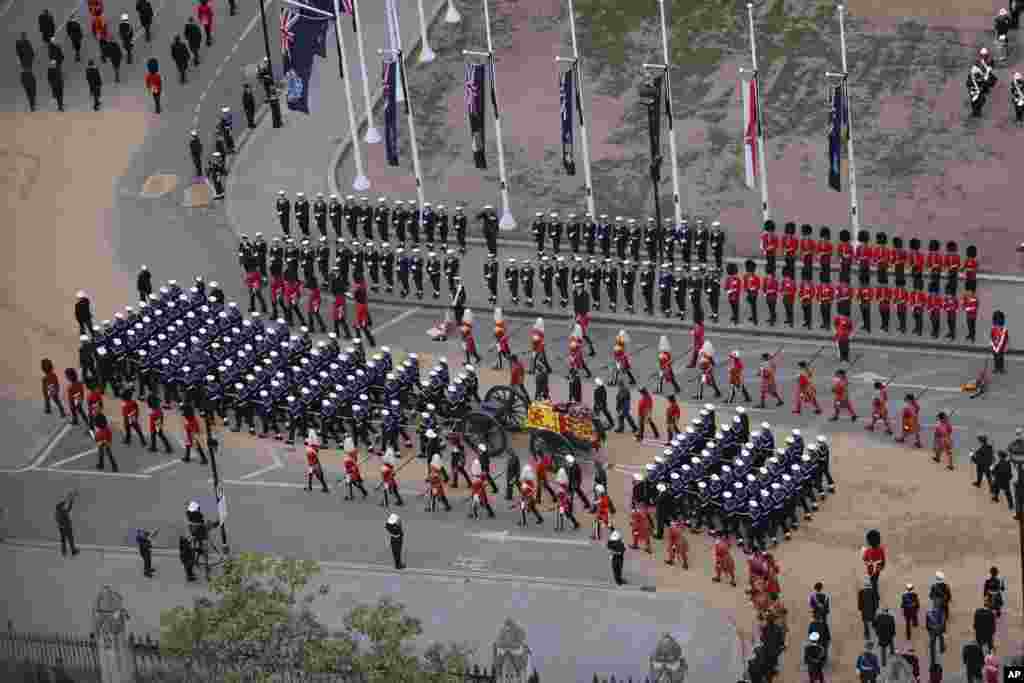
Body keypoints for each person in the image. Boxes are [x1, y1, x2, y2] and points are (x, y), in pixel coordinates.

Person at [55, 491, 79, 557]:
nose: (63, 506)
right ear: (60, 507)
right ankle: (72, 551)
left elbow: (68, 508)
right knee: (69, 539)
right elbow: (68, 509)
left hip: (62, 528)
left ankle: (65, 551)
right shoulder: (61, 512)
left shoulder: (59, 512)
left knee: (64, 540)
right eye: (62, 506)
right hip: (66, 528)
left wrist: (70, 499)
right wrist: (70, 499)